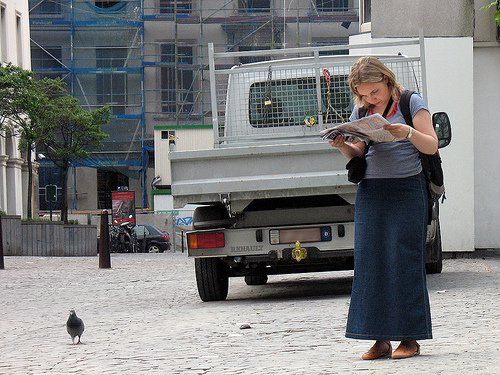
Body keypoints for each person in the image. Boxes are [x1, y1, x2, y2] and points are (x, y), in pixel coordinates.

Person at [329, 56, 438, 360]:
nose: (369, 99)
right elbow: (357, 153)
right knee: (370, 261)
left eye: (374, 92)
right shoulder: (363, 111)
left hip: (407, 189)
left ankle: (410, 339)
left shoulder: (411, 102)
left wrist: (407, 133)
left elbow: (432, 144)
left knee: (403, 260)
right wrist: (341, 145)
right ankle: (379, 340)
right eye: (363, 95)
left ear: (388, 81)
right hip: (372, 191)